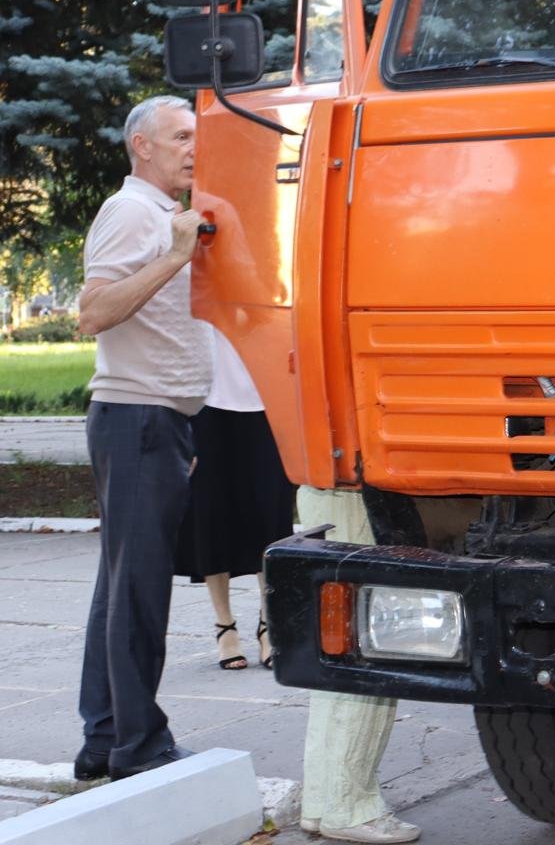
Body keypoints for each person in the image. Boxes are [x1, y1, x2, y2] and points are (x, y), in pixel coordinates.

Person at [72, 94, 214, 781]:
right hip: (137, 418)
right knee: (139, 591)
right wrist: (177, 256)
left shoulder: (164, 214)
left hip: (155, 420)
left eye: (198, 135)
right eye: (181, 135)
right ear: (142, 146)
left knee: (120, 586)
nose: (194, 146)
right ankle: (140, 746)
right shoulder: (132, 212)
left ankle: (104, 739)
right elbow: (92, 312)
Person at [297, 486, 420, 844]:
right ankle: (351, 806)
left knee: (338, 652)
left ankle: (323, 801)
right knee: (370, 646)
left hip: (324, 485)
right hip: (355, 490)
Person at [173, 328, 296, 671]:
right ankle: (224, 625)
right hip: (205, 405)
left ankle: (268, 623)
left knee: (271, 514)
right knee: (212, 515)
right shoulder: (192, 273)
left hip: (271, 401)